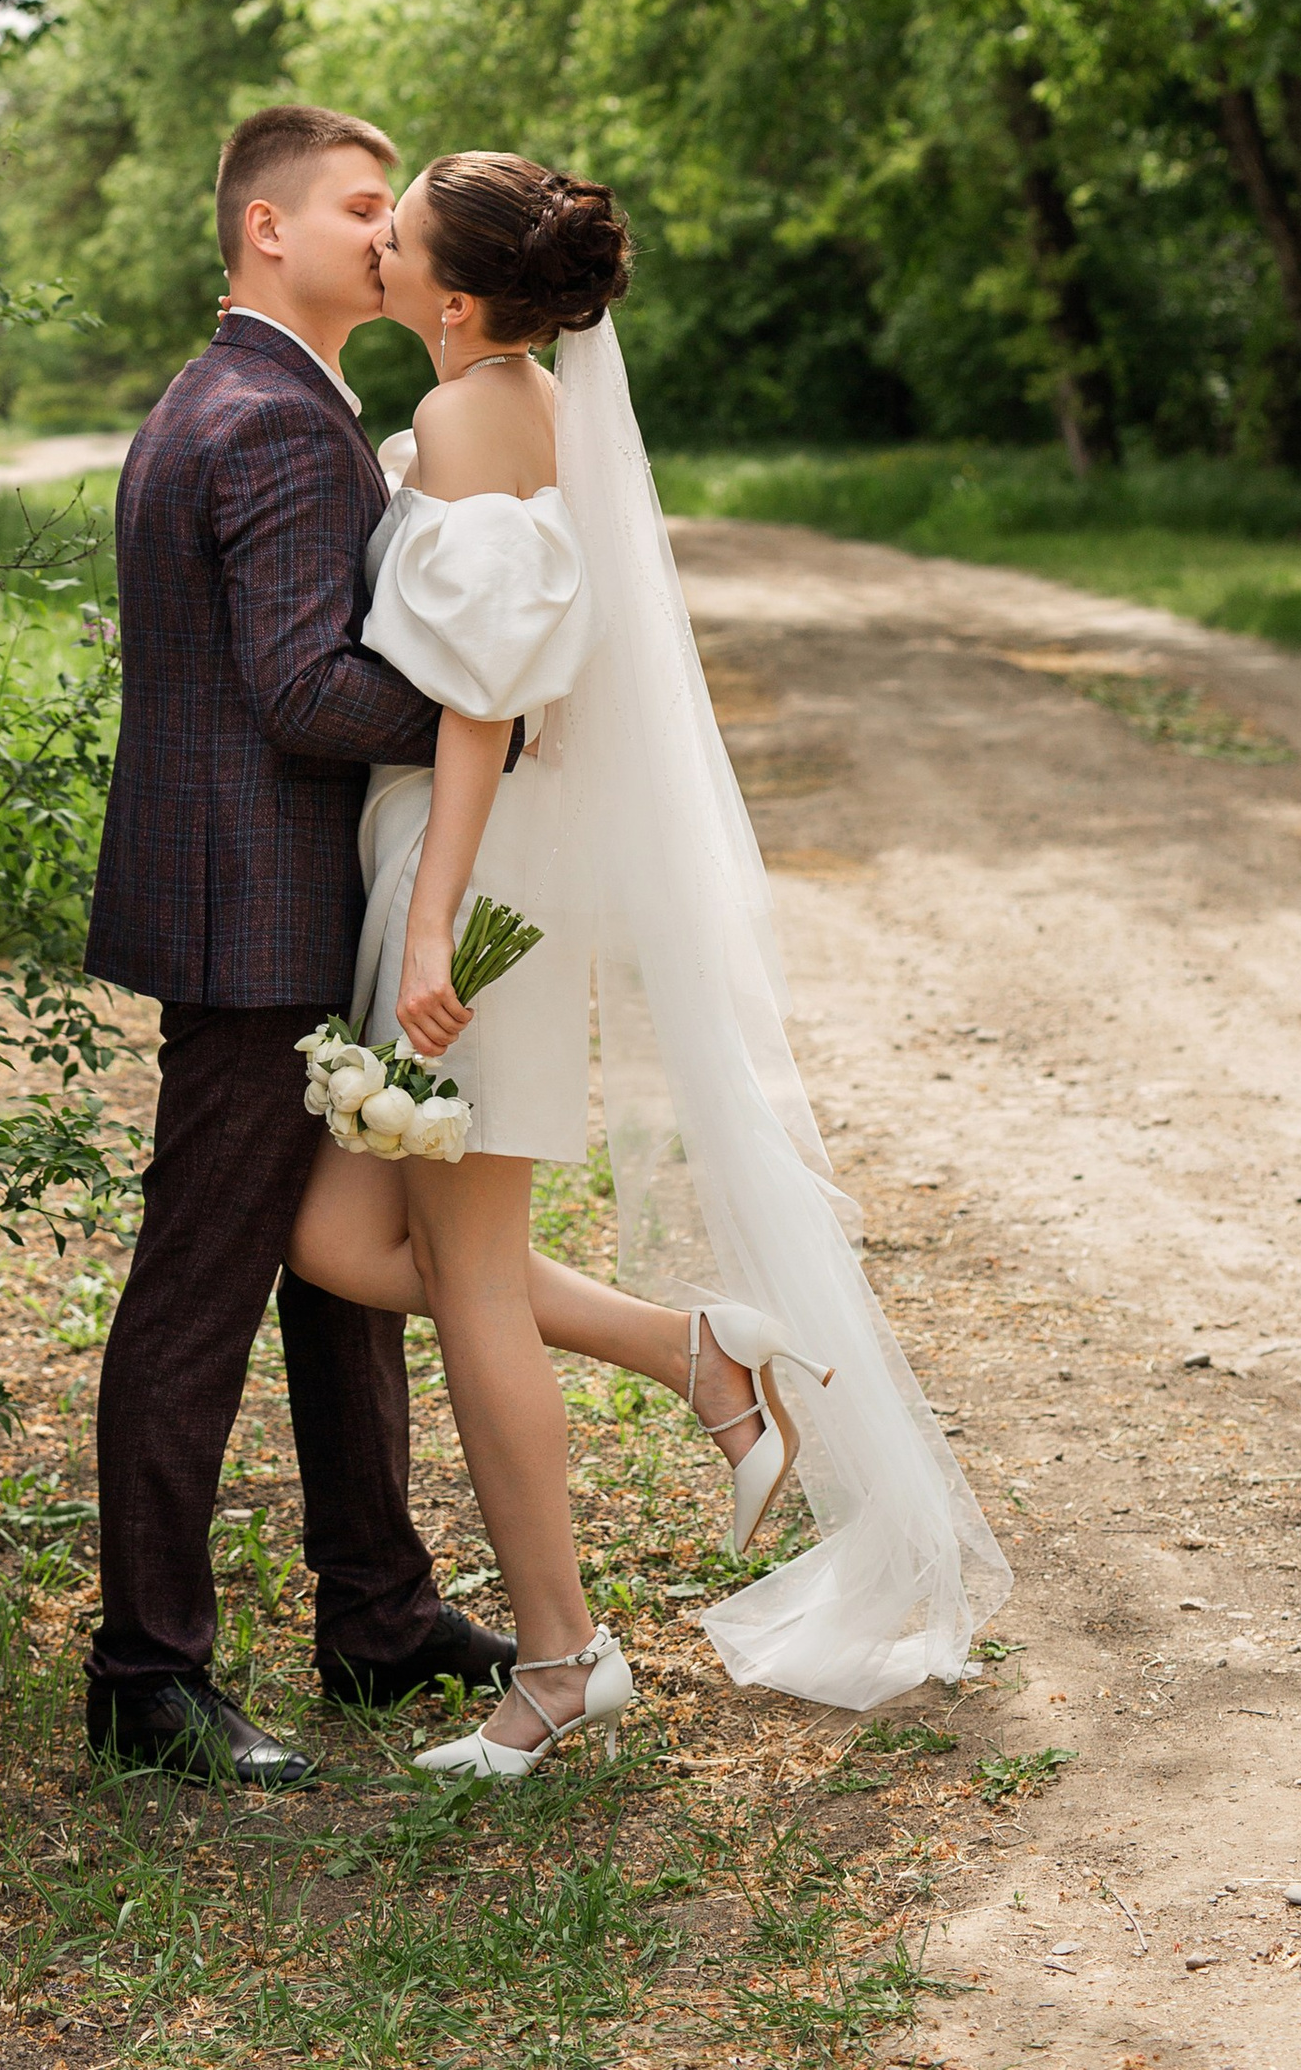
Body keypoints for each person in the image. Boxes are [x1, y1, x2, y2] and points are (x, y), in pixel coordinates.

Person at [286, 151, 1011, 1774]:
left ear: (453, 295)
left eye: (399, 229)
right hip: (467, 850)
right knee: (337, 1237)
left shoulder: (470, 415)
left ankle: (559, 1660)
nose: (379, 241)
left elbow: (483, 702)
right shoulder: (517, 403)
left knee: (470, 1281)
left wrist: (431, 921)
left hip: (470, 867)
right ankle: (695, 1353)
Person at [82, 105, 520, 1787]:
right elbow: (308, 693)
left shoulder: (251, 397)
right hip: (255, 920)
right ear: (266, 229)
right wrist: (500, 718)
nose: (387, 234)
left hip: (272, 901)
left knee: (339, 1282)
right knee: (198, 1292)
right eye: (359, 207)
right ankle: (145, 1675)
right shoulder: (270, 419)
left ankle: (379, 1616)